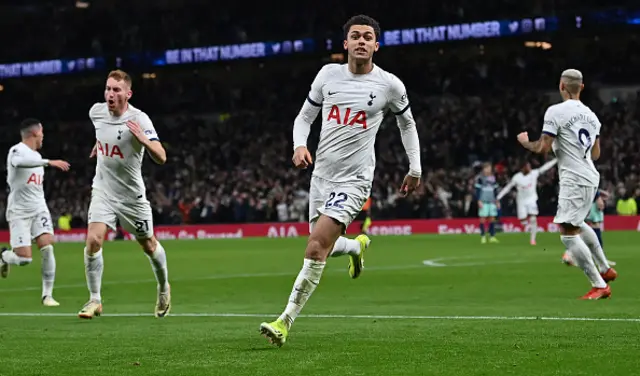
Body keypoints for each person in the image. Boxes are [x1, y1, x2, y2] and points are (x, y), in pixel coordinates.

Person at [259, 14, 421, 347]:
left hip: (355, 179)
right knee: (323, 244)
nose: (361, 41)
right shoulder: (327, 76)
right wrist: (299, 144)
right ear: (345, 43)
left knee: (316, 246)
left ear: (377, 45)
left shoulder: (389, 85)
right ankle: (357, 247)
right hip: (322, 176)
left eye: (368, 37)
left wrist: (415, 168)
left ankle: (284, 321)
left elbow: (407, 125)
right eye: (355, 36)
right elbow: (305, 117)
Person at [517, 69, 617, 300]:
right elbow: (596, 153)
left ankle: (599, 284)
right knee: (578, 223)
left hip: (574, 177)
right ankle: (605, 268)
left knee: (567, 233)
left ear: (561, 86)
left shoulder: (555, 111)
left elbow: (542, 148)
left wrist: (525, 143)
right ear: (581, 87)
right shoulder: (592, 116)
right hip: (590, 174)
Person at [78, 70, 171, 319]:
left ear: (128, 94)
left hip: (131, 196)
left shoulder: (140, 119)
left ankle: (163, 288)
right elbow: (104, 133)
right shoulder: (95, 112)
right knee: (94, 240)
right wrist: (99, 146)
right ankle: (94, 299)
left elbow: (161, 156)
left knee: (148, 245)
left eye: (116, 90)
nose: (110, 94)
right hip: (103, 190)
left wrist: (143, 139)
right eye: (108, 89)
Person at [0, 118, 70, 306]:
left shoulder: (37, 157)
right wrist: (49, 162)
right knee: (25, 259)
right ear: (34, 134)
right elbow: (19, 162)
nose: (43, 137)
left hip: (39, 208)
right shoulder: (16, 151)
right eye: (41, 134)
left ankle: (47, 295)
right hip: (19, 212)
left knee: (47, 247)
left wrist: (44, 162)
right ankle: (4, 256)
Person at [497, 159, 557, 245]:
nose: (529, 168)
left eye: (529, 166)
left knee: (533, 219)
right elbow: (508, 188)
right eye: (527, 166)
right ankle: (525, 224)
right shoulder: (517, 177)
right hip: (521, 201)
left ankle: (533, 240)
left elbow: (544, 168)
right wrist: (498, 197)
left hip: (531, 200)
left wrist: (555, 160)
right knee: (523, 222)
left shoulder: (534, 173)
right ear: (523, 168)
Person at [562, 189, 616, 266]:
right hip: (588, 195)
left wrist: (599, 192)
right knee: (594, 224)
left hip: (578, 194)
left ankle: (569, 254)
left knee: (579, 225)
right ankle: (601, 260)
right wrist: (598, 197)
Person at [475, 163, 500, 244]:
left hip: (492, 201)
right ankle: (483, 236)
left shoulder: (493, 178)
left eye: (490, 168)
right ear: (484, 169)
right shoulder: (480, 178)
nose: (489, 170)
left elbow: (495, 190)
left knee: (492, 218)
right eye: (487, 168)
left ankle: (492, 236)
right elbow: (477, 190)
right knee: (483, 218)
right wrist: (478, 200)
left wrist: (497, 200)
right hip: (483, 201)